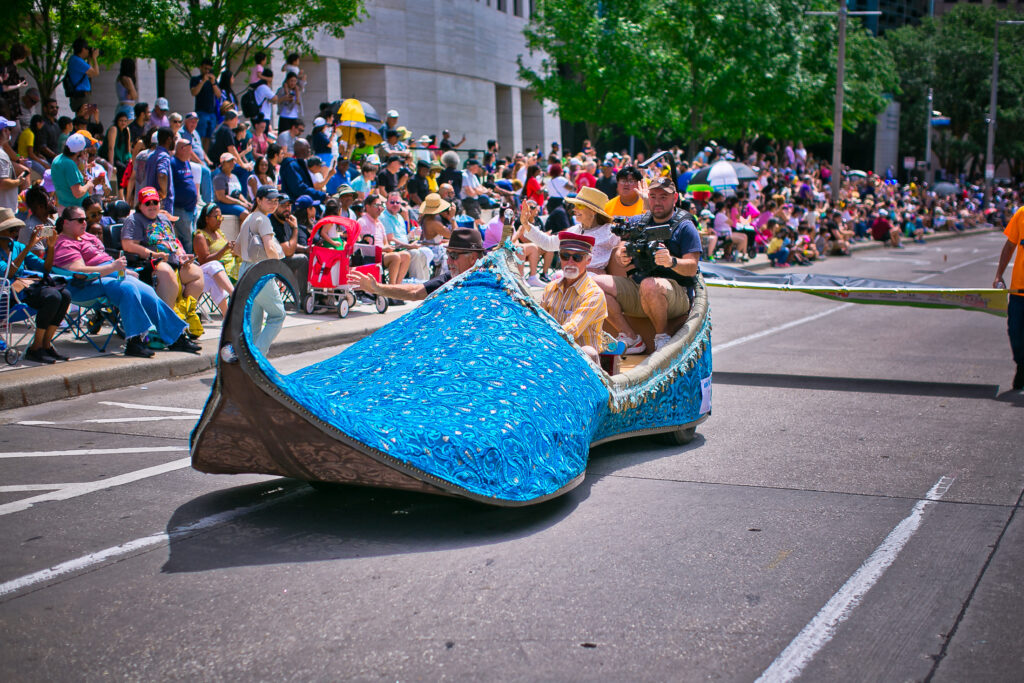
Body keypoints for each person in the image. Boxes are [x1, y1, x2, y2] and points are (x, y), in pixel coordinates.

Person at [52, 205, 198, 357]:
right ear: (66, 223)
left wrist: (122, 271)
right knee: (128, 288)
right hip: (85, 285)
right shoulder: (65, 244)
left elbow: (104, 260)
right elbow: (79, 271)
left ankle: (175, 337)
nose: (84, 223)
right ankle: (135, 341)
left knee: (147, 291)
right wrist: (112, 268)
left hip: (109, 276)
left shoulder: (87, 237)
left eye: (85, 219)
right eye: (80, 220)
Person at [593, 176, 701, 354]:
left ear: (674, 198)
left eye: (663, 197)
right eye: (653, 197)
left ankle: (662, 337)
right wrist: (622, 255)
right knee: (593, 283)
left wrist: (671, 261)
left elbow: (692, 267)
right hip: (639, 287)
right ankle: (630, 336)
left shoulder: (685, 227)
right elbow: (621, 247)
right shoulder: (639, 222)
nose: (657, 202)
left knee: (649, 284)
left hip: (676, 294)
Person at [0, 209, 71, 363]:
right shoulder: (18, 248)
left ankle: (46, 345)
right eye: (11, 230)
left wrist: (51, 247)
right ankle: (35, 348)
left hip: (23, 291)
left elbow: (46, 268)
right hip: (6, 297)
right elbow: (9, 273)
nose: (15, 233)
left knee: (65, 295)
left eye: (17, 229)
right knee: (52, 296)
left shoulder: (17, 246)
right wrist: (29, 246)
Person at [121, 186, 205, 307]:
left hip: (174, 261)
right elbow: (128, 246)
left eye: (155, 202)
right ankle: (167, 315)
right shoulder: (134, 220)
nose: (152, 206)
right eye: (147, 203)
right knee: (167, 273)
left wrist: (181, 255)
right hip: (150, 264)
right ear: (140, 205)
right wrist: (154, 255)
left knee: (197, 273)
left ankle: (184, 311)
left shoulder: (164, 219)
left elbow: (172, 241)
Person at [349, 227, 484, 302]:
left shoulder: (491, 279)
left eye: (453, 256)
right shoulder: (451, 279)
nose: (448, 261)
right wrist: (377, 288)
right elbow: (415, 292)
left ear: (473, 258)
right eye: (448, 255)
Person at [541, 231, 607, 362]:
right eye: (565, 256)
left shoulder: (594, 294)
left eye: (577, 257)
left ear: (588, 260)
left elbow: (571, 329)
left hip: (580, 361)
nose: (570, 262)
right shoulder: (550, 287)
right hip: (552, 351)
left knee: (588, 351)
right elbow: (540, 321)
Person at [522, 186, 618, 274]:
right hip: (572, 277)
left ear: (593, 211)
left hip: (594, 282)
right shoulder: (575, 230)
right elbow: (548, 243)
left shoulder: (610, 231)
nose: (574, 209)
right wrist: (526, 224)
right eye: (574, 205)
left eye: (579, 205)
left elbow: (623, 249)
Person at [238, 185, 287, 354]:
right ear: (258, 200)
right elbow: (270, 248)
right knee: (278, 315)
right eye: (269, 200)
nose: (274, 204)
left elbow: (236, 248)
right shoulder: (263, 220)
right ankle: (257, 357)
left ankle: (249, 361)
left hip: (245, 270)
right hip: (260, 271)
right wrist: (279, 270)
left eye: (276, 201)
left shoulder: (249, 218)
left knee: (254, 322)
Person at [994, 206, 1024, 391]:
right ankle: (1021, 363)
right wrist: (999, 275)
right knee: (1015, 333)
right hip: (1018, 291)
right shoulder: (1021, 214)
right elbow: (1010, 245)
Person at [358, 194, 410, 299]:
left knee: (406, 255)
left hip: (382, 254)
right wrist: (384, 249)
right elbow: (365, 245)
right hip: (371, 256)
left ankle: (397, 288)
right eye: (376, 205)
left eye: (380, 205)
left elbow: (385, 242)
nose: (379, 208)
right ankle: (391, 290)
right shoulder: (362, 221)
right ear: (367, 206)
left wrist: (387, 248)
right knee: (395, 257)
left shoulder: (379, 223)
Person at [192, 204, 236, 315]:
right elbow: (204, 261)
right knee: (215, 265)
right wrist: (224, 249)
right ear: (207, 219)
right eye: (217, 217)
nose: (220, 220)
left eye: (221, 217)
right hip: (213, 269)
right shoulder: (200, 236)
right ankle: (235, 295)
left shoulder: (219, 233)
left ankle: (228, 317)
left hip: (228, 266)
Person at [380, 191, 433, 281]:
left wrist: (411, 236)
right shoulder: (384, 217)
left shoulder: (399, 217)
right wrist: (409, 246)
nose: (395, 204)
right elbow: (390, 239)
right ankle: (417, 284)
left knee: (425, 252)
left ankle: (425, 282)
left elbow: (403, 236)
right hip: (395, 249)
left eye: (397, 202)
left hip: (404, 247)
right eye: (392, 202)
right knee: (415, 253)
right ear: (386, 203)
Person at [268, 195, 310, 297]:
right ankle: (304, 298)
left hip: (282, 258)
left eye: (289, 205)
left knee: (311, 255)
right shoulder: (272, 222)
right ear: (276, 206)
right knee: (302, 259)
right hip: (271, 263)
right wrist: (295, 228)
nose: (287, 209)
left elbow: (291, 244)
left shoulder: (285, 220)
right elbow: (288, 251)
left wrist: (306, 249)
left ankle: (320, 296)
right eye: (283, 206)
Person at [170, 138, 199, 252]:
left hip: (192, 208)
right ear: (182, 148)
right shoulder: (172, 163)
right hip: (181, 208)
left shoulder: (186, 162)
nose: (191, 152)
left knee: (193, 237)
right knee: (187, 239)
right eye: (189, 148)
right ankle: (189, 260)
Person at [190, 58, 222, 151]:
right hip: (201, 112)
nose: (207, 71)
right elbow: (194, 92)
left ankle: (206, 154)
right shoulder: (195, 79)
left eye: (209, 69)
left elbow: (219, 95)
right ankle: (199, 153)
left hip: (212, 113)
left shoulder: (213, 81)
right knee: (200, 136)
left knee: (209, 137)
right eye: (205, 69)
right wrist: (203, 81)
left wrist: (213, 83)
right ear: (200, 68)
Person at [0, 117, 27, 211]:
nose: (9, 132)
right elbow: (2, 182)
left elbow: (15, 153)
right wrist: (19, 181)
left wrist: (19, 156)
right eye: (8, 129)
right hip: (4, 210)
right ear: (3, 131)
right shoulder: (1, 154)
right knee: (26, 171)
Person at [213, 153, 251, 219]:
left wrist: (246, 202)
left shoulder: (234, 177)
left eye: (233, 161)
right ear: (222, 163)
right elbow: (221, 197)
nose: (232, 163)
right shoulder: (219, 178)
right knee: (245, 214)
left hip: (235, 203)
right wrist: (240, 203)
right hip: (222, 204)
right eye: (229, 161)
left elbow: (238, 193)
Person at [66, 39, 99, 113]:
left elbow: (90, 74)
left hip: (83, 95)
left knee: (90, 115)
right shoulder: (77, 60)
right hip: (81, 96)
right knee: (84, 117)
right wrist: (94, 58)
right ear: (83, 49)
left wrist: (89, 59)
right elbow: (96, 73)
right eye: (87, 49)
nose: (88, 51)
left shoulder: (75, 60)